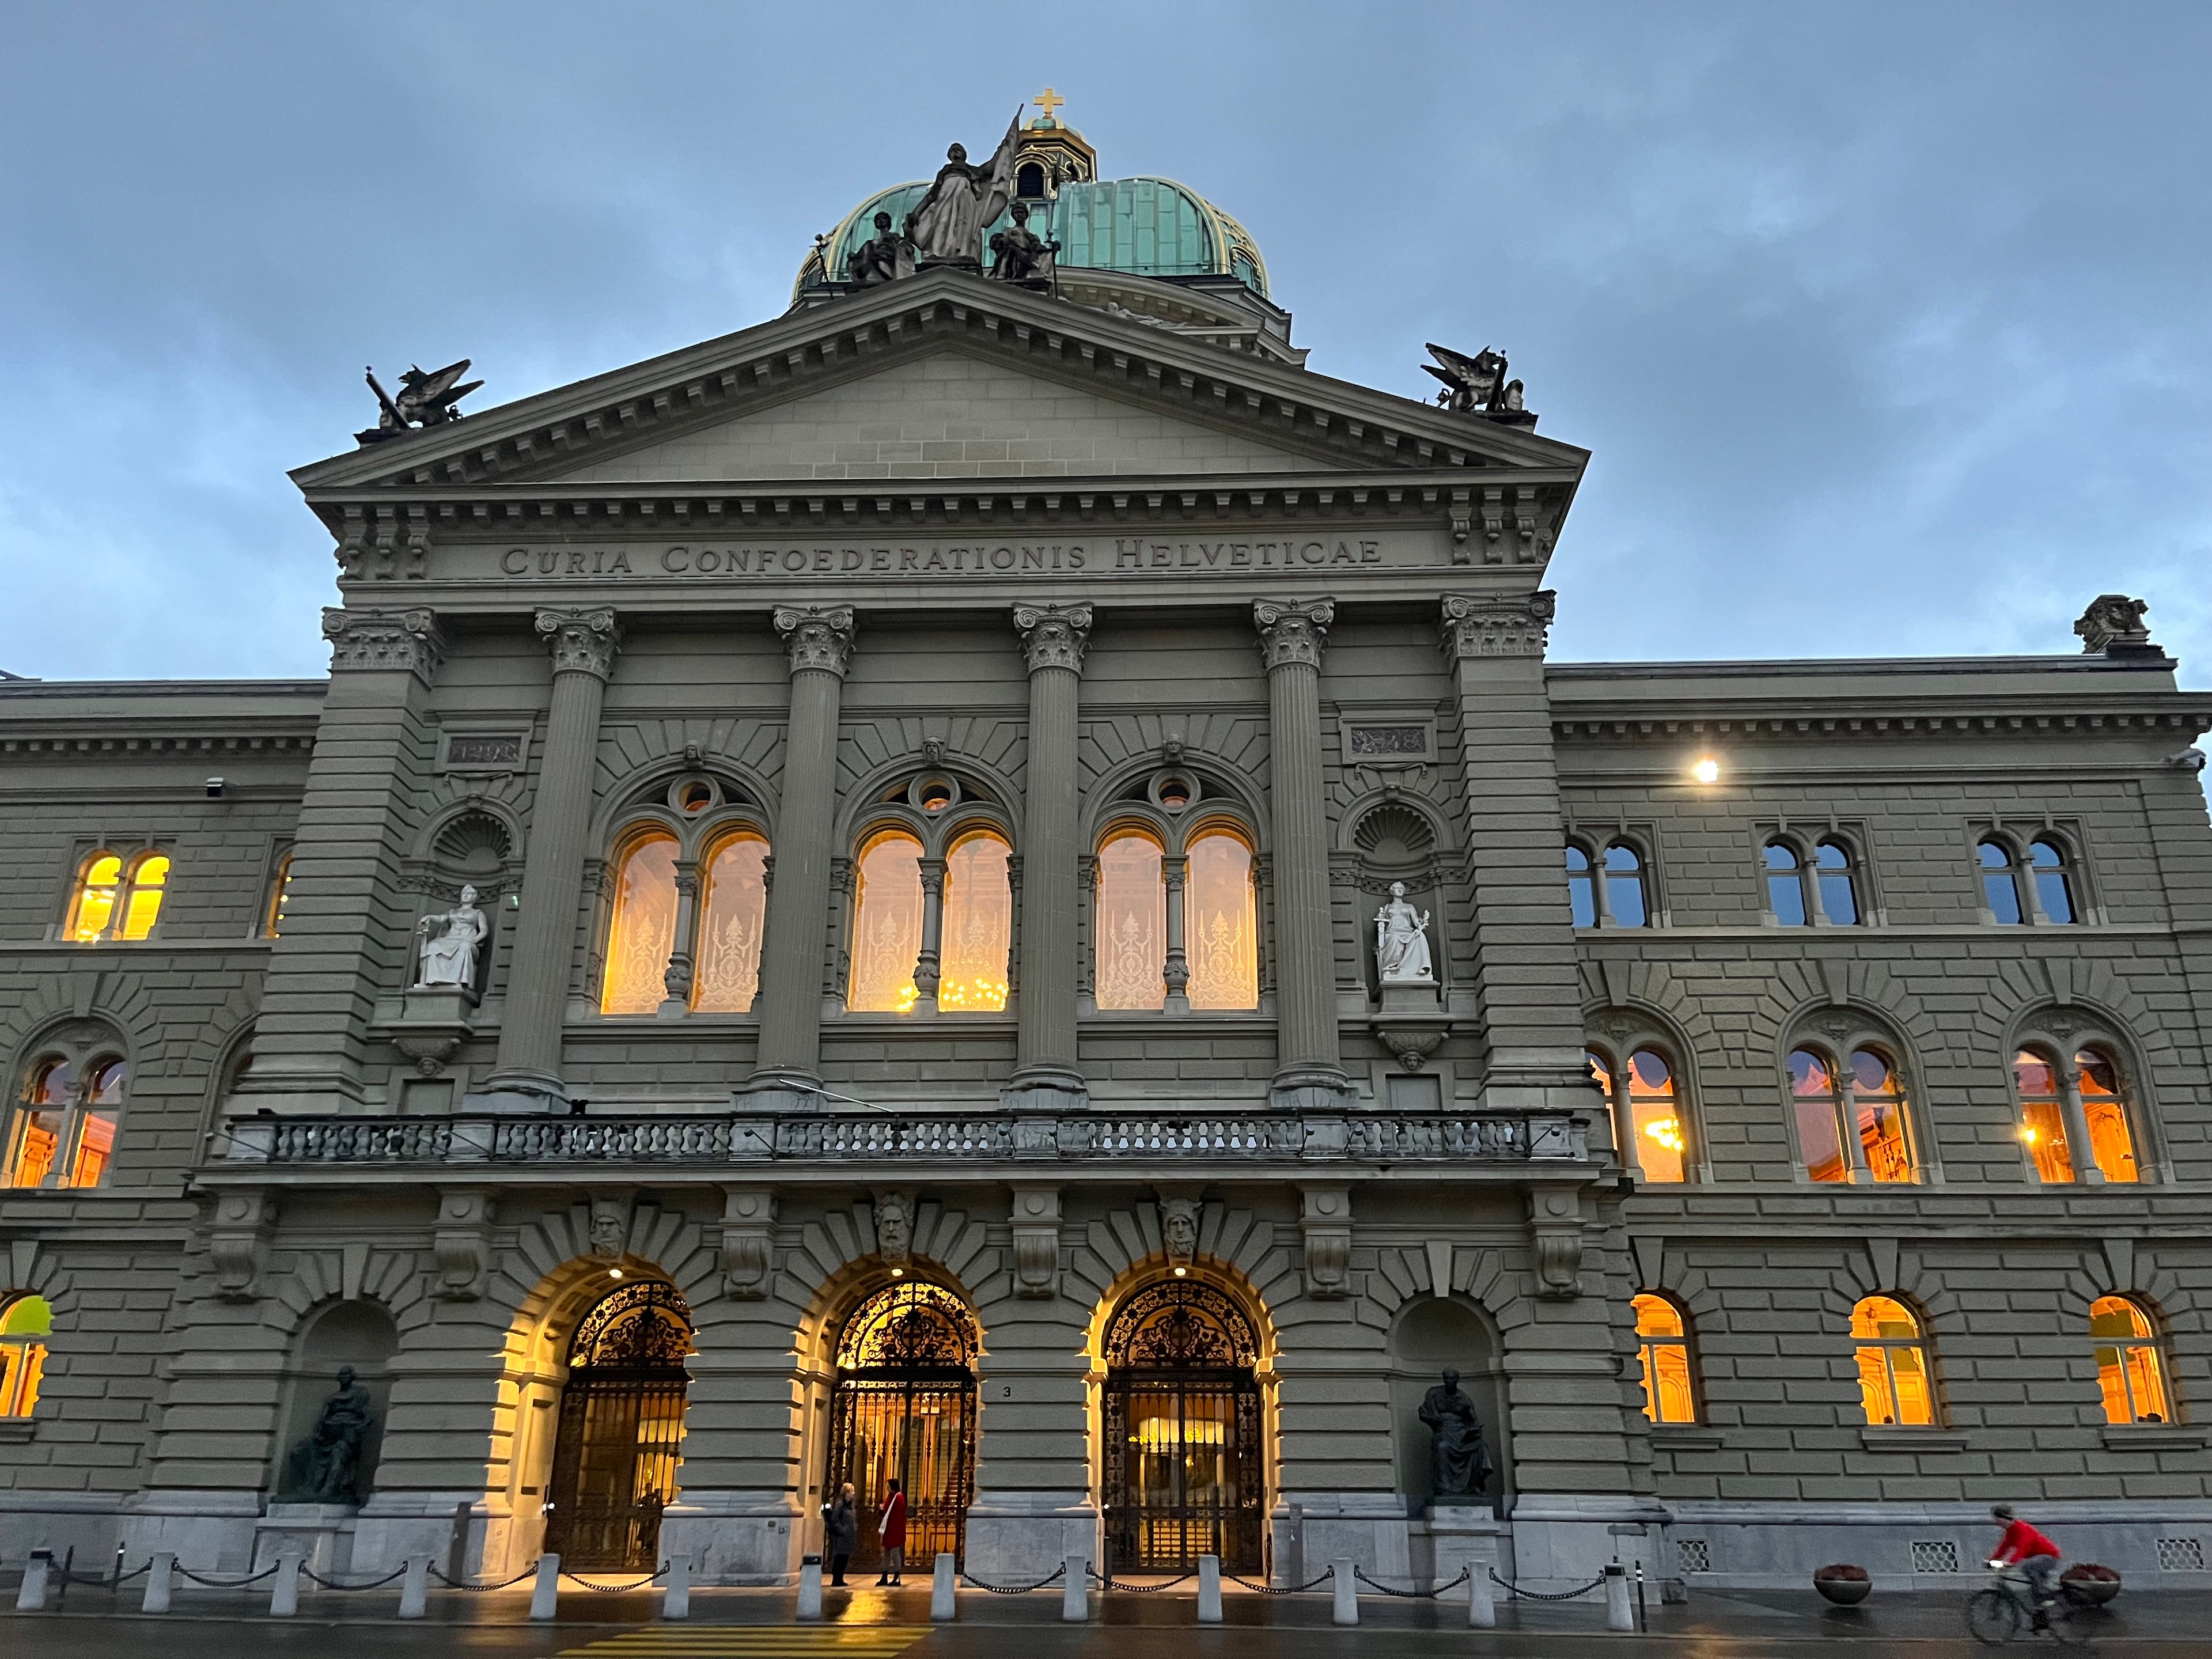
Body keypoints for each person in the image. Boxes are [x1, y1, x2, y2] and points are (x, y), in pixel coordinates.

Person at [1990, 1504, 2062, 1626]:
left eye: (1999, 1519)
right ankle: (2040, 1614)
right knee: (2033, 1582)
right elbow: (2003, 1548)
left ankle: (2046, 1597)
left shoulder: (2023, 1528)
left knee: (2028, 1567)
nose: (1997, 1523)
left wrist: (2010, 1563)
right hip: (2036, 1558)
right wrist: (1990, 1561)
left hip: (2049, 1556)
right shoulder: (2010, 1532)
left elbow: (2022, 1548)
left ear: (2005, 1518)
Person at [822, 1482, 858, 1586]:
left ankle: (840, 1578)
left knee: (845, 1557)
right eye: (851, 1491)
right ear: (846, 1493)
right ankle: (836, 1579)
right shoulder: (840, 1504)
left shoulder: (851, 1505)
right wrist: (842, 1530)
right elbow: (835, 1519)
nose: (853, 1494)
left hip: (849, 1535)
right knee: (840, 1557)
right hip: (842, 1536)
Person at [876, 1476, 908, 1585]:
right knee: (887, 1554)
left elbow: (898, 1516)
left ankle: (897, 1576)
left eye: (888, 1486)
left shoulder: (899, 1497)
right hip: (889, 1530)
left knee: (895, 1554)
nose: (887, 1488)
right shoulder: (891, 1497)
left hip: (895, 1530)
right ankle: (884, 1576)